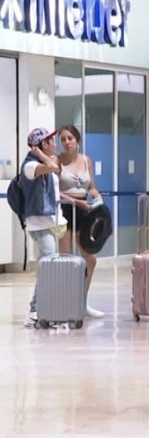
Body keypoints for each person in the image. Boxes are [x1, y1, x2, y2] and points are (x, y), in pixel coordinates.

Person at [57, 125, 104, 318]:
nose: (67, 142)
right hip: (65, 209)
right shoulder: (57, 161)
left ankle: (82, 301)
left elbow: (90, 186)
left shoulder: (86, 160)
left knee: (90, 259)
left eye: (70, 138)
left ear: (77, 140)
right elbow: (54, 189)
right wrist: (74, 200)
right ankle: (66, 304)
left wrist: (97, 197)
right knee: (67, 260)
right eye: (63, 139)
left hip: (84, 210)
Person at [20, 128, 64, 327]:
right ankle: (35, 310)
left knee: (49, 265)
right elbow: (53, 168)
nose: (56, 143)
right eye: (52, 140)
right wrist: (38, 154)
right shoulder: (30, 166)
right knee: (48, 265)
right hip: (38, 224)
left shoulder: (41, 162)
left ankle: (45, 308)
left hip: (50, 222)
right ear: (43, 144)